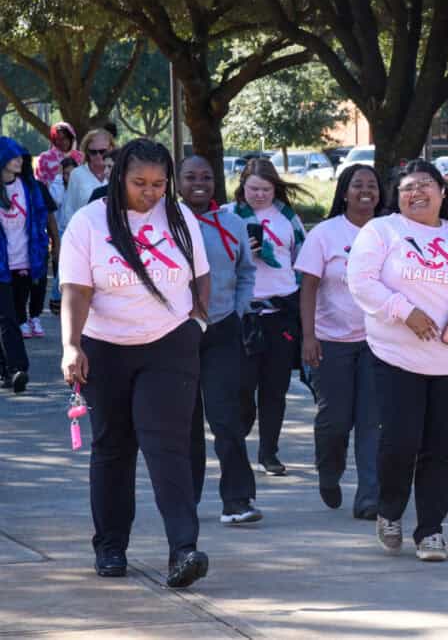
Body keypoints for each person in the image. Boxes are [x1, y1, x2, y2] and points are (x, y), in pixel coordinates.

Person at [59, 138, 211, 588]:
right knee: (113, 446)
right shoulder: (89, 223)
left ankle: (183, 549)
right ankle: (110, 547)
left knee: (168, 445)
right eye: (139, 183)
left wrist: (197, 322)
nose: (150, 192)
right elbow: (76, 290)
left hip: (168, 344)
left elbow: (201, 273)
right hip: (105, 347)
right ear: (118, 176)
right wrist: (72, 346)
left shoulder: (180, 218)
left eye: (159, 184)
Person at [348, 159, 448, 561]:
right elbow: (361, 281)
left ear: (442, 192)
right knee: (400, 441)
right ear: (395, 196)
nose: (416, 193)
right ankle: (390, 510)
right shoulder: (382, 231)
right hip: (395, 355)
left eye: (424, 185)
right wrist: (404, 310)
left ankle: (431, 531)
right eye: (407, 188)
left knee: (439, 447)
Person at [296, 164, 385, 519]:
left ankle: (369, 497)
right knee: (334, 420)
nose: (366, 191)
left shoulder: (389, 231)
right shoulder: (326, 234)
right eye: (357, 185)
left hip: (378, 341)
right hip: (330, 340)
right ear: (344, 192)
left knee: (371, 420)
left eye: (372, 185)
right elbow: (308, 287)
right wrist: (308, 337)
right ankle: (329, 471)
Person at [177, 156, 262, 525]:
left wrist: (239, 308)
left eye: (207, 177)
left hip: (223, 329)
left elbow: (245, 270)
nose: (200, 183)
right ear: (176, 182)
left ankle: (238, 500)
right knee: (185, 422)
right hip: (175, 335)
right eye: (191, 176)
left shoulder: (232, 223)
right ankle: (185, 501)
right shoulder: (166, 222)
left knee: (226, 417)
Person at [223, 159, 306, 476]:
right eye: (253, 188)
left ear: (276, 189)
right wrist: (244, 253)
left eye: (266, 189)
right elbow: (216, 263)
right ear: (243, 186)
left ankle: (269, 452)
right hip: (243, 313)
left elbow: (302, 258)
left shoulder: (288, 218)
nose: (259, 195)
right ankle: (239, 443)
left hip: (280, 313)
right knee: (243, 387)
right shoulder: (229, 217)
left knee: (275, 388)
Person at [0, 137, 50, 393]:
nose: (20, 160)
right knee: (7, 318)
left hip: (25, 263)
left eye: (21, 156)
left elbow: (39, 224)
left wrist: (38, 259)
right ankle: (17, 369)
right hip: (1, 268)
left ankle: (5, 368)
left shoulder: (29, 188)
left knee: (16, 317)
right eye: (14, 156)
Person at [48, 156, 81, 314]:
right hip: (62, 230)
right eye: (66, 174)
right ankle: (56, 298)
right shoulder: (59, 186)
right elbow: (56, 201)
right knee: (63, 267)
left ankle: (64, 298)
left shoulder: (81, 185)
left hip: (78, 229)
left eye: (72, 173)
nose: (69, 177)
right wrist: (59, 180)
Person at [64, 128, 115, 221]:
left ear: (111, 148)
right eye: (93, 152)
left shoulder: (120, 173)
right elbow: (69, 209)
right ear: (87, 151)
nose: (98, 155)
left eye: (103, 151)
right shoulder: (77, 174)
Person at [35, 122, 82, 188]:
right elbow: (39, 184)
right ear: (54, 140)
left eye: (66, 138)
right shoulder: (44, 158)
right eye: (59, 139)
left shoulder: (81, 157)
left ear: (72, 138)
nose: (63, 141)